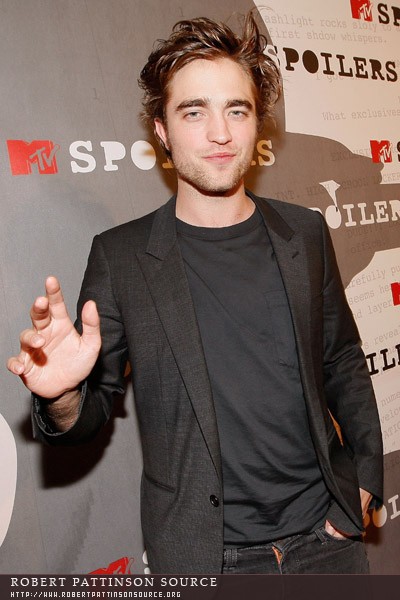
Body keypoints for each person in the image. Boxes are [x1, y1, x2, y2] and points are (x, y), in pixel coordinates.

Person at [7, 13, 383, 574]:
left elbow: (343, 360)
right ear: (162, 130)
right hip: (208, 560)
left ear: (257, 124)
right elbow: (91, 408)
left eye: (237, 110)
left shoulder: (304, 233)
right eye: (194, 111)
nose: (220, 133)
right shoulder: (122, 257)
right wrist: (61, 394)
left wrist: (366, 477)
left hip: (328, 544)